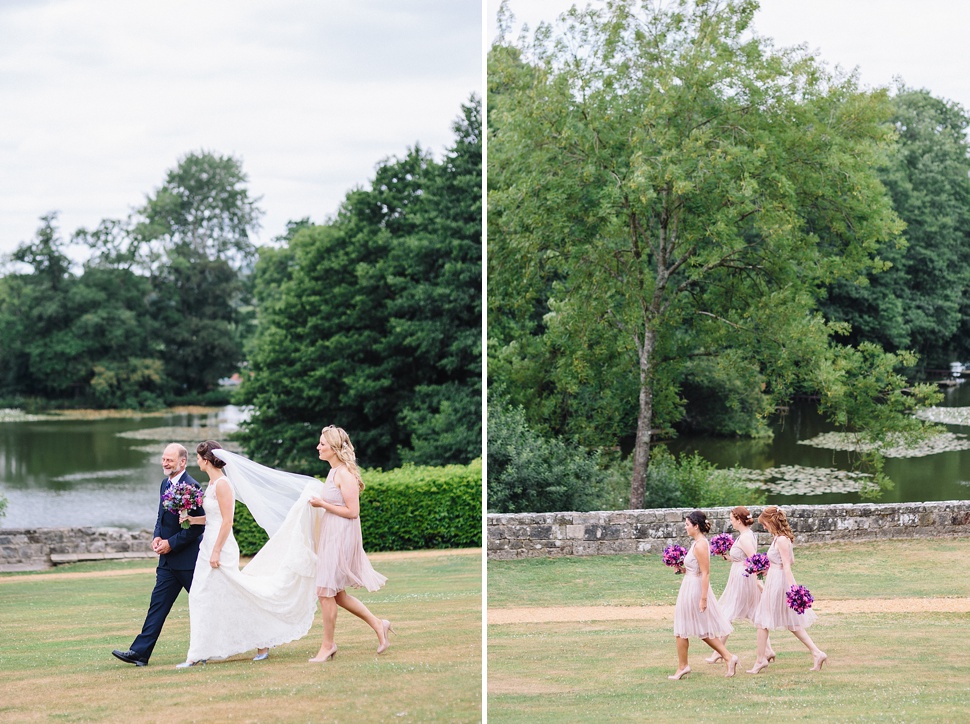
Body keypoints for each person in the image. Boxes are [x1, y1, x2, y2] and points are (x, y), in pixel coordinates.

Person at [175, 441, 320, 668]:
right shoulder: (212, 484)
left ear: (206, 459)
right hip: (209, 545)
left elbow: (227, 521)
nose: (197, 461)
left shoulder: (223, 484)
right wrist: (193, 520)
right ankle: (202, 651)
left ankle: (211, 651)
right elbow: (213, 517)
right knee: (205, 597)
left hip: (220, 547)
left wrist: (216, 551)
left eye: (198, 457)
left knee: (223, 596)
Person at [112, 443, 204, 667]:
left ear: (183, 462)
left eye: (169, 460)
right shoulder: (165, 483)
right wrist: (157, 536)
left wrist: (171, 544)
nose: (165, 463)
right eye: (163, 459)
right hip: (167, 563)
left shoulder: (192, 487)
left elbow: (197, 527)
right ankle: (139, 653)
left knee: (207, 606)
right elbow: (160, 517)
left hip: (189, 562)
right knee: (157, 606)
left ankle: (221, 646)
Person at [307, 425, 390, 663]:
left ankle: (328, 645)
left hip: (342, 535)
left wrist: (322, 505)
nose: (318, 447)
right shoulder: (333, 473)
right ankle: (379, 624)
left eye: (322, 443)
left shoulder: (344, 474)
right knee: (337, 594)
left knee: (325, 591)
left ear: (334, 448)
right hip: (331, 533)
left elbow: (353, 512)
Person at [747, 506, 827, 674]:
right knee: (791, 623)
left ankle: (761, 659)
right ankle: (817, 653)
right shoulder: (778, 538)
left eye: (764, 524)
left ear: (771, 521)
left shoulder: (782, 540)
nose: (764, 527)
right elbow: (791, 560)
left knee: (762, 621)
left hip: (779, 583)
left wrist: (793, 589)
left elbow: (788, 565)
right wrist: (768, 568)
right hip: (774, 578)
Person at [669, 510, 739, 680]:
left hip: (694, 589)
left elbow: (705, 573)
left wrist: (703, 598)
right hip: (689, 584)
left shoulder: (701, 544)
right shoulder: (697, 543)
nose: (685, 527)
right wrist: (682, 569)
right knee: (695, 630)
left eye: (687, 524)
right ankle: (728, 657)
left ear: (696, 526)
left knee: (682, 629)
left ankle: (683, 666)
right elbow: (696, 569)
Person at [705, 506, 775, 664]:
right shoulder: (746, 535)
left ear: (738, 520)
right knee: (754, 613)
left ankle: (718, 652)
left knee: (728, 613)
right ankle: (768, 650)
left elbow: (753, 559)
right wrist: (728, 557)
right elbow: (742, 558)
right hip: (740, 574)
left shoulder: (744, 538)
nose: (731, 522)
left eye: (732, 519)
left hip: (743, 578)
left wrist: (758, 580)